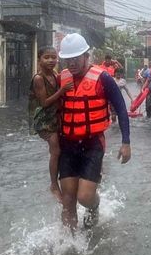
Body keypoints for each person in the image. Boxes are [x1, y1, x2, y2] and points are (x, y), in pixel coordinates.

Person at [57, 33, 131, 229]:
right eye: (67, 59)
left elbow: (121, 108)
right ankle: (69, 245)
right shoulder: (62, 78)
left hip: (92, 144)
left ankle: (94, 206)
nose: (71, 63)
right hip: (68, 144)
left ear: (86, 56)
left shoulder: (103, 78)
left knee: (84, 196)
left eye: (75, 58)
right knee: (68, 199)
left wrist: (126, 142)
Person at [28, 46, 73, 202]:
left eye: (53, 57)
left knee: (61, 149)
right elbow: (45, 102)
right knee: (55, 149)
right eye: (46, 57)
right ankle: (53, 185)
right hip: (44, 119)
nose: (51, 60)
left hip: (56, 117)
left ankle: (64, 177)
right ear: (39, 59)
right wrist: (62, 91)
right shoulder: (39, 79)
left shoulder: (55, 75)